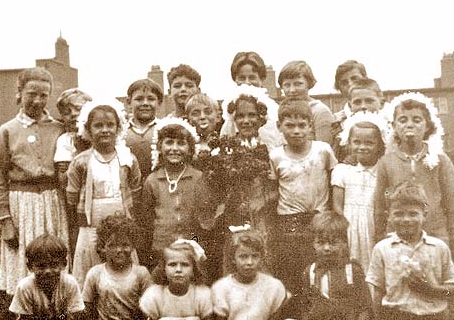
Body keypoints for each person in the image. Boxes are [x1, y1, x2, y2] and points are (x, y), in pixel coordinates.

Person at [366, 180, 454, 320]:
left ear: (424, 214)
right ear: (389, 216)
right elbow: (375, 287)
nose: (406, 219)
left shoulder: (438, 247)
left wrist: (432, 289)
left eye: (413, 214)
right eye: (399, 214)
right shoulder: (383, 249)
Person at [0, 67, 69, 295]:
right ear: (19, 92)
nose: (37, 100)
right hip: (22, 207)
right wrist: (5, 221)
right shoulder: (8, 130)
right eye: (31, 94)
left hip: (53, 203)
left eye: (44, 95)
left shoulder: (59, 128)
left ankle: (58, 318)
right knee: (27, 266)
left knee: (55, 263)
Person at [374, 92, 454, 256]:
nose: (409, 125)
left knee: (433, 279)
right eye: (403, 120)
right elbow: (380, 204)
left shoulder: (440, 160)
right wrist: (381, 235)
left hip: (434, 234)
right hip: (397, 236)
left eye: (416, 120)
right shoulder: (386, 162)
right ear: (393, 126)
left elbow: (453, 203)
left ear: (428, 126)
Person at [66, 100, 142, 287]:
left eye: (110, 125)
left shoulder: (127, 158)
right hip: (91, 225)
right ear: (88, 130)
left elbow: (135, 190)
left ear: (118, 128)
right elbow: (71, 197)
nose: (105, 130)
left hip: (121, 222)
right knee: (91, 268)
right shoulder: (81, 161)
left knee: (121, 262)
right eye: (98, 126)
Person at [269, 98, 337, 294]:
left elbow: (333, 184)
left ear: (310, 126)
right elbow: (274, 192)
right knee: (293, 272)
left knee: (319, 270)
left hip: (319, 217)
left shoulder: (322, 150)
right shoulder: (275, 156)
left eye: (301, 125)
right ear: (279, 126)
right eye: (289, 126)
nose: (296, 131)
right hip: (289, 222)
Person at [300, 211, 374, 320]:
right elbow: (305, 305)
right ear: (313, 243)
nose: (327, 248)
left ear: (344, 243)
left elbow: (365, 308)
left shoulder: (352, 271)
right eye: (321, 242)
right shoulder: (310, 271)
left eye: (333, 243)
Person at [217, 85, 279, 270]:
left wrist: (263, 200)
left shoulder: (271, 149)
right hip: (236, 217)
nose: (246, 121)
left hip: (264, 218)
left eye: (251, 115)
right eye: (240, 116)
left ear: (261, 117)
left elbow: (278, 186)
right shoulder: (226, 149)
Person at [212, 233, 300, 320]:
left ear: (261, 258)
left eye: (255, 256)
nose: (249, 262)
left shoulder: (272, 284)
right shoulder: (222, 287)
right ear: (233, 259)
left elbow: (277, 312)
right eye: (243, 257)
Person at [83, 215, 152, 320]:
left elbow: (149, 313)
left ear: (133, 246)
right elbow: (87, 311)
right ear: (103, 247)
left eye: (125, 244)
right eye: (113, 245)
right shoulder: (95, 273)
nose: (120, 250)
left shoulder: (141, 273)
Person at [9, 234, 85, 320]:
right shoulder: (25, 287)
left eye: (54, 265)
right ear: (30, 267)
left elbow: (75, 319)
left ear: (64, 264)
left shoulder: (69, 283)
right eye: (41, 266)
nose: (48, 271)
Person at [140, 117, 204, 267]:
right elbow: (147, 219)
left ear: (190, 148)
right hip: (161, 249)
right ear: (160, 146)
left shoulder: (198, 177)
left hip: (191, 248)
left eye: (181, 143)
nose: (174, 148)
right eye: (169, 142)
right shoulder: (152, 180)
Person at [140, 240, 215, 320]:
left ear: (194, 269)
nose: (178, 270)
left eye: (185, 265)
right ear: (164, 268)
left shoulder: (201, 294)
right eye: (172, 264)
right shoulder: (155, 295)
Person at [332, 112, 389, 272]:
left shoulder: (383, 171)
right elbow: (337, 205)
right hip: (349, 228)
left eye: (369, 143)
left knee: (377, 268)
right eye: (356, 142)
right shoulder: (342, 170)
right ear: (348, 143)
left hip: (374, 227)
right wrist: (344, 230)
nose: (362, 147)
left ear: (379, 145)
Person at [54, 88, 93, 264]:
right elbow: (63, 176)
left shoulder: (96, 134)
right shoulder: (66, 140)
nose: (73, 114)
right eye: (67, 111)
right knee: (77, 234)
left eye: (78, 109)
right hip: (75, 196)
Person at [278, 60, 336, 144]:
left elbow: (324, 149)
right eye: (287, 85)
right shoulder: (280, 109)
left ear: (308, 84)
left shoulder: (320, 111)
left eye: (298, 84)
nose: (292, 90)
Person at [332, 78, 385, 161]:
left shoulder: (390, 129)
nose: (363, 106)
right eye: (357, 102)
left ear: (381, 103)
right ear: (350, 106)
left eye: (369, 101)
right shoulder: (343, 133)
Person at [124, 78, 164, 181]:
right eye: (139, 99)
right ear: (129, 102)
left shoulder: (164, 129)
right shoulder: (122, 131)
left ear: (159, 102)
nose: (145, 103)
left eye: (151, 99)